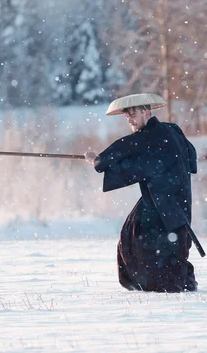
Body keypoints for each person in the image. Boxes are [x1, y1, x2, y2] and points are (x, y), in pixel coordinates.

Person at [85, 93, 198, 292]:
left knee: (136, 237)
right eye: (126, 115)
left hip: (161, 201)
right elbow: (190, 155)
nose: (129, 119)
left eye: (132, 113)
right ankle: (179, 280)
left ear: (146, 112)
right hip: (177, 198)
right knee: (170, 241)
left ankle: (160, 283)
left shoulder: (146, 137)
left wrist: (98, 160)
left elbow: (121, 156)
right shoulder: (172, 130)